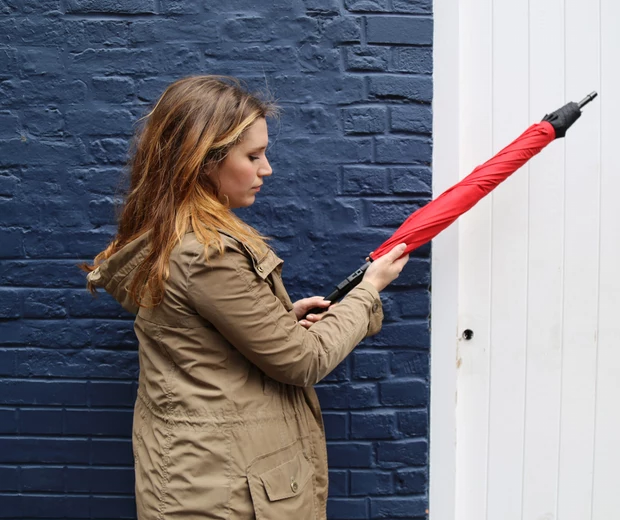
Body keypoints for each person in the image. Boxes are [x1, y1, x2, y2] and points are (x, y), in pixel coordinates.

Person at [83, 75, 409, 520]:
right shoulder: (204, 251)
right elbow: (303, 361)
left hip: (205, 478)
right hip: (221, 496)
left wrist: (277, 318)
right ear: (202, 161)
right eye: (252, 156)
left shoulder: (175, 234)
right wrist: (369, 290)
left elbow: (197, 335)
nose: (266, 168)